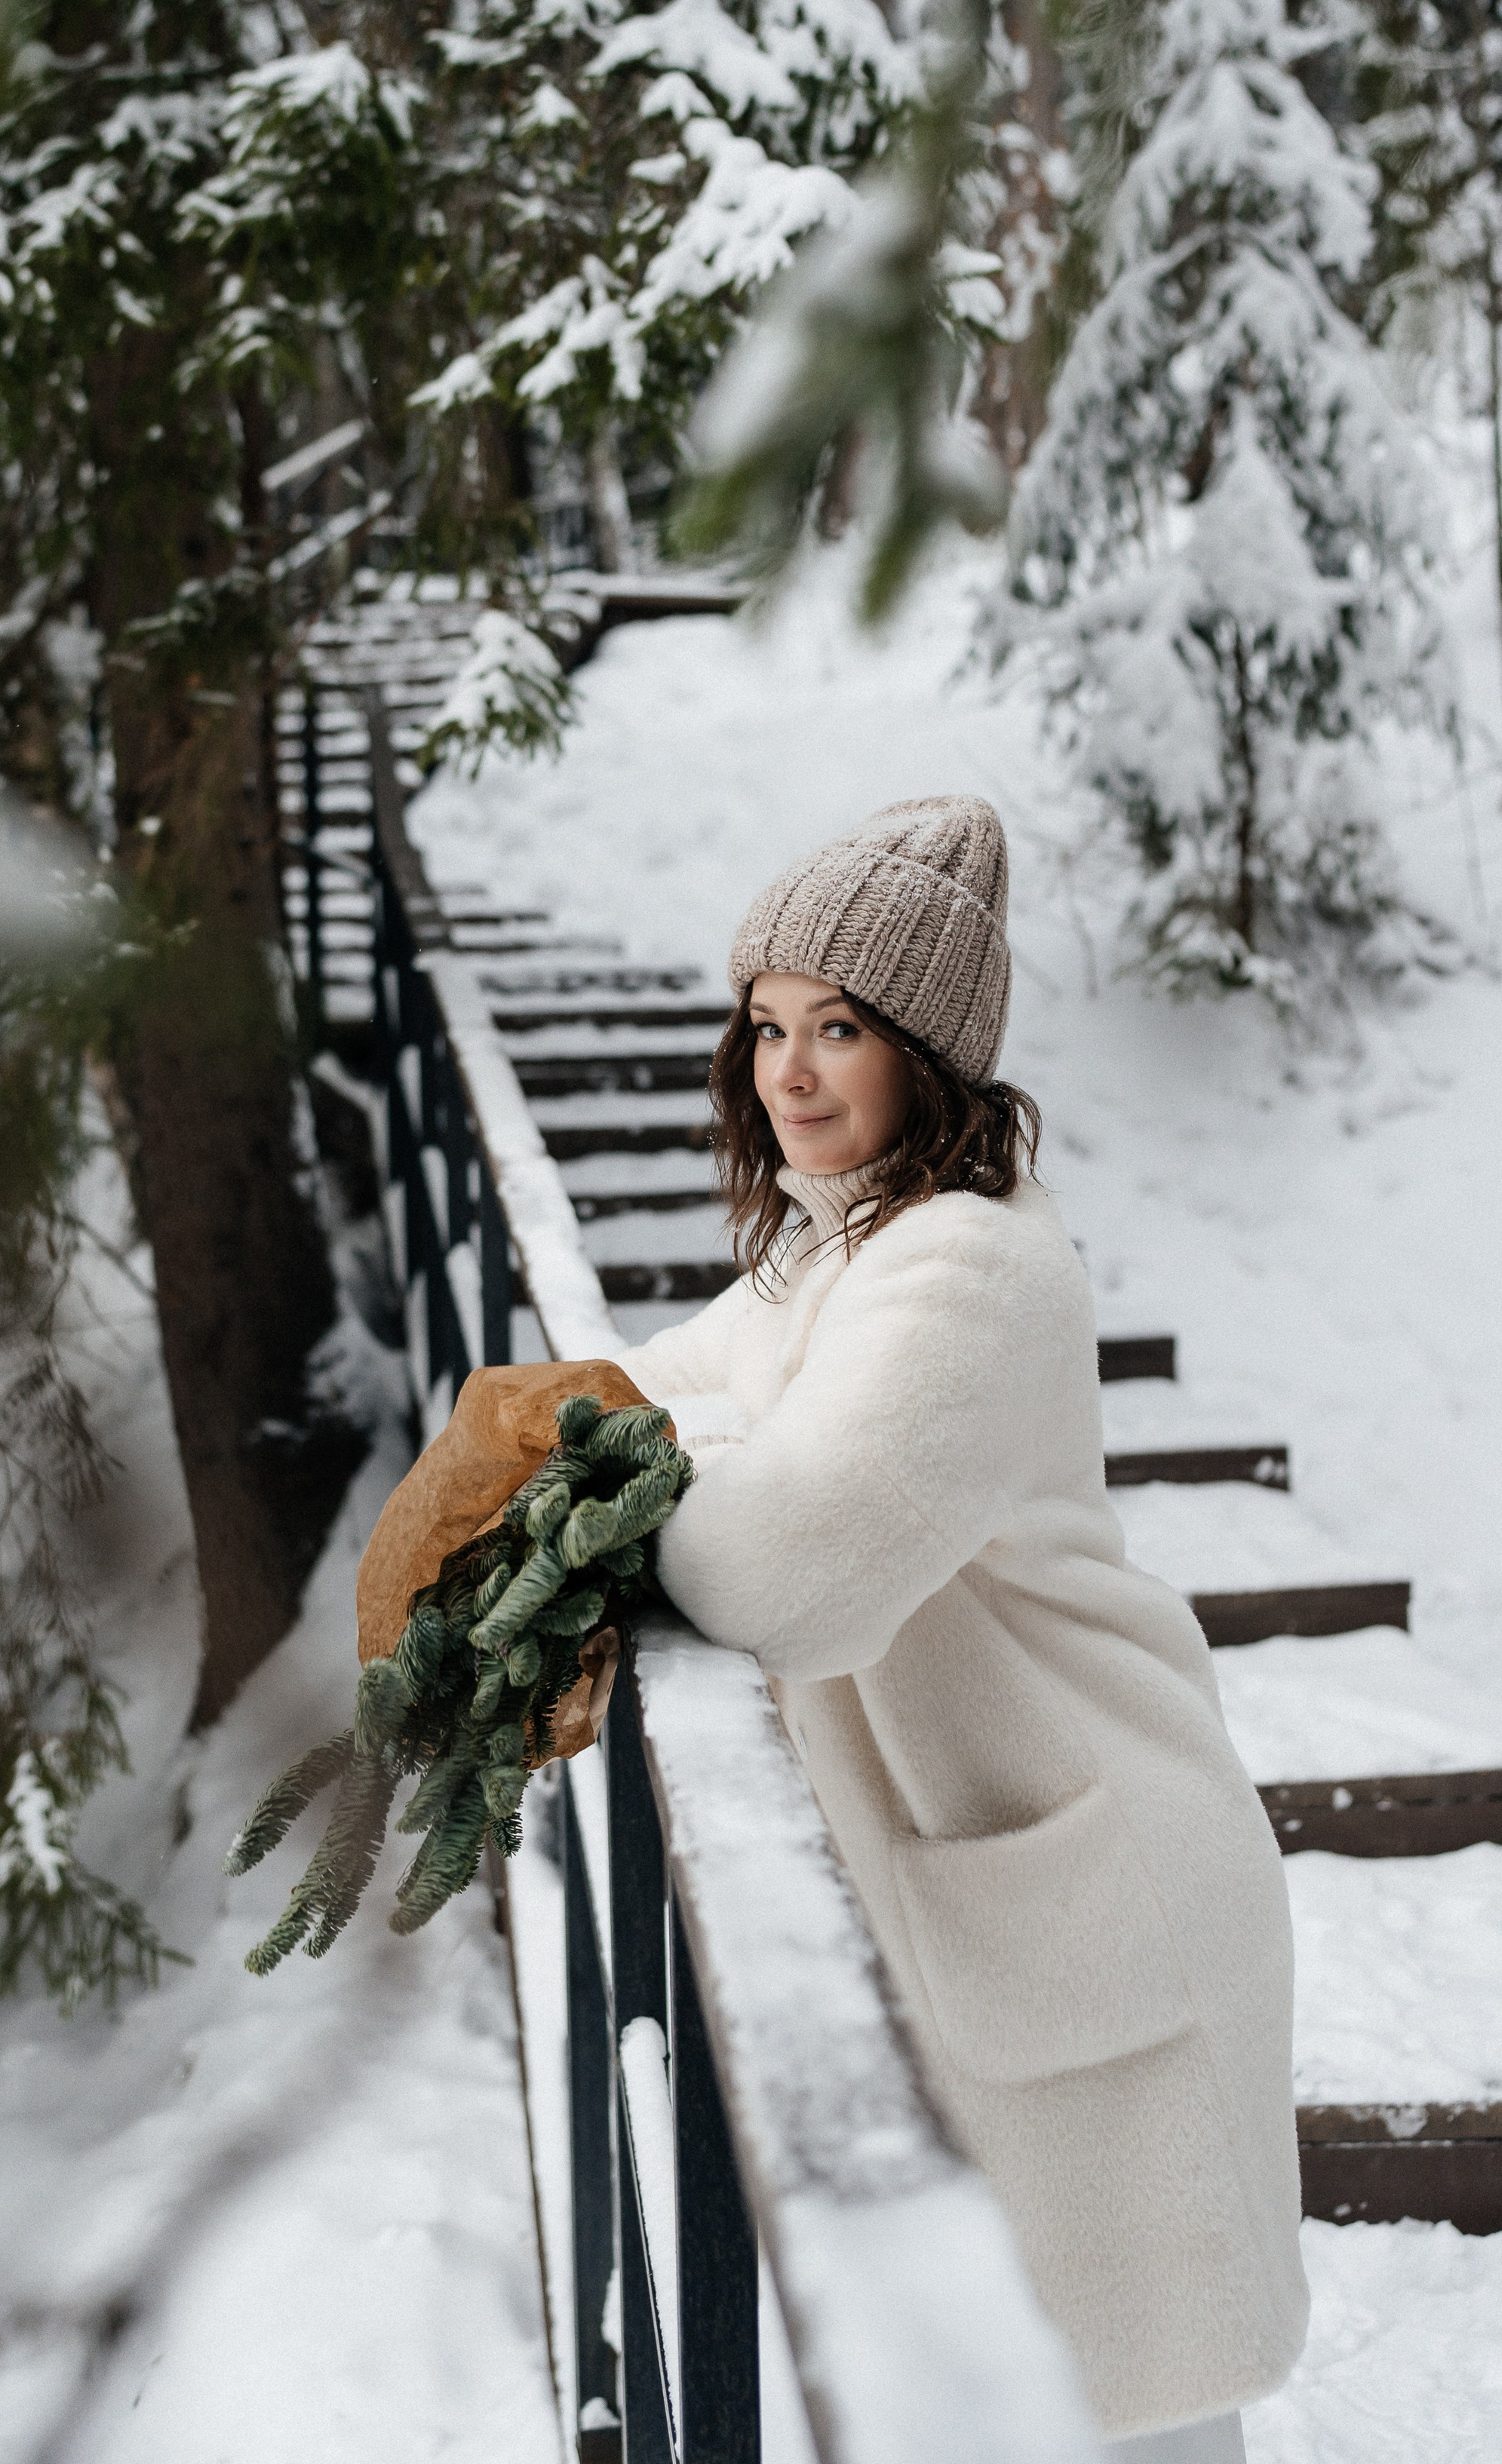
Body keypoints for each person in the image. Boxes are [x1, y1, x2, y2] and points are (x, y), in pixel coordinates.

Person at [609, 796, 1307, 2461]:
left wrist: (680, 1466)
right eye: (766, 1025)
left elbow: (779, 1576)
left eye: (834, 1028)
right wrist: (663, 1445)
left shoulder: (963, 1274)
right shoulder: (830, 1252)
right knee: (1046, 2402)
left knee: (1130, 2414)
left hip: (1100, 1878)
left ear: (925, 1049)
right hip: (1015, 1888)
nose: (786, 1071)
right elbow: (626, 1397)